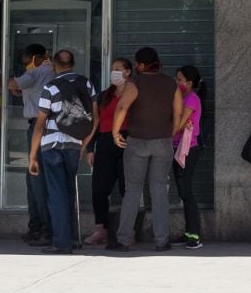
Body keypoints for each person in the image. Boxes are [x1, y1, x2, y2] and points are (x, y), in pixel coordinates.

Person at [110, 47, 183, 252]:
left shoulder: (135, 83)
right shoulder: (171, 84)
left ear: (141, 65)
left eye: (136, 64)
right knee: (159, 191)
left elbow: (122, 107)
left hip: (138, 141)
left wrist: (115, 133)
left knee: (132, 191)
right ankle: (162, 240)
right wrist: (172, 131)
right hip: (163, 142)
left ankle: (124, 239)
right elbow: (178, 113)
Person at [27, 49, 98, 255]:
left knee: (57, 195)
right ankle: (72, 239)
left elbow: (40, 122)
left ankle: (61, 243)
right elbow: (95, 117)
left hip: (52, 146)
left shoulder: (50, 87)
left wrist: (32, 155)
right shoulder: (86, 83)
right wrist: (84, 144)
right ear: (74, 63)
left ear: (55, 65)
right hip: (74, 146)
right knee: (68, 192)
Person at [83, 58, 134, 247]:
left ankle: (128, 231)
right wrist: (90, 148)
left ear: (128, 72)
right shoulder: (104, 96)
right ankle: (100, 229)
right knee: (99, 189)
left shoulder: (133, 93)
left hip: (127, 141)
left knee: (127, 188)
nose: (114, 72)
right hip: (104, 143)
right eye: (112, 69)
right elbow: (94, 124)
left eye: (118, 69)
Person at [8, 44, 54, 246]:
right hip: (42, 125)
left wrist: (26, 73)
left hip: (38, 125)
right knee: (33, 179)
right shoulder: (47, 71)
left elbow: (11, 84)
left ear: (35, 58)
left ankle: (43, 228)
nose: (25, 63)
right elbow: (23, 89)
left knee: (37, 178)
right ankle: (37, 226)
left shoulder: (37, 71)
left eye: (27, 60)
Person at [171, 65, 206, 250]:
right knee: (182, 191)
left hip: (188, 149)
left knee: (186, 191)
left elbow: (180, 124)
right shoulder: (180, 98)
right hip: (177, 147)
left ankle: (195, 234)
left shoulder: (191, 99)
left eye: (179, 79)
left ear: (189, 83)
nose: (176, 82)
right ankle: (188, 232)